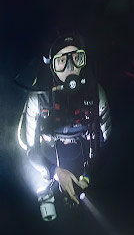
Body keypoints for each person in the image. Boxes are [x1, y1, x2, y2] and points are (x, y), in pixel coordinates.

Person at [16, 34, 112, 220]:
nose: (70, 68)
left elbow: (104, 141)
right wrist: (54, 171)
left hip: (82, 151)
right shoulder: (38, 97)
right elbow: (30, 148)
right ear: (51, 66)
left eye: (76, 59)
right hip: (49, 153)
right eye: (61, 61)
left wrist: (87, 177)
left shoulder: (95, 93)